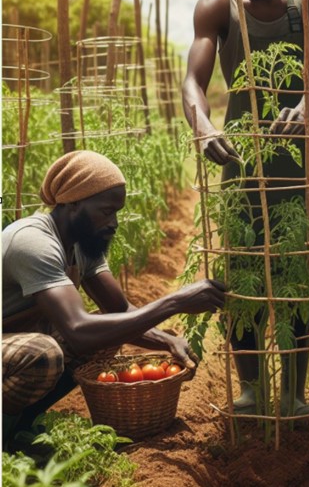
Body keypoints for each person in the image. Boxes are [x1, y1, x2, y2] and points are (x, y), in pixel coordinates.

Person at [181, 0, 309, 416]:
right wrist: (203, 127)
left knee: (296, 265)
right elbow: (192, 83)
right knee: (242, 267)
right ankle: (252, 390)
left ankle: (294, 394)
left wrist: (308, 103)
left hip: (298, 157)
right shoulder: (216, 5)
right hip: (241, 157)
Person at [2, 150, 227, 447]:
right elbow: (78, 332)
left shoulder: (81, 243)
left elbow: (119, 310)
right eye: (106, 211)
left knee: (109, 333)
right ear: (73, 203)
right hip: (13, 342)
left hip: (11, 339)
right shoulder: (33, 242)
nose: (114, 222)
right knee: (44, 355)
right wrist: (177, 302)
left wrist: (167, 341)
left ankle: (23, 425)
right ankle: (6, 441)